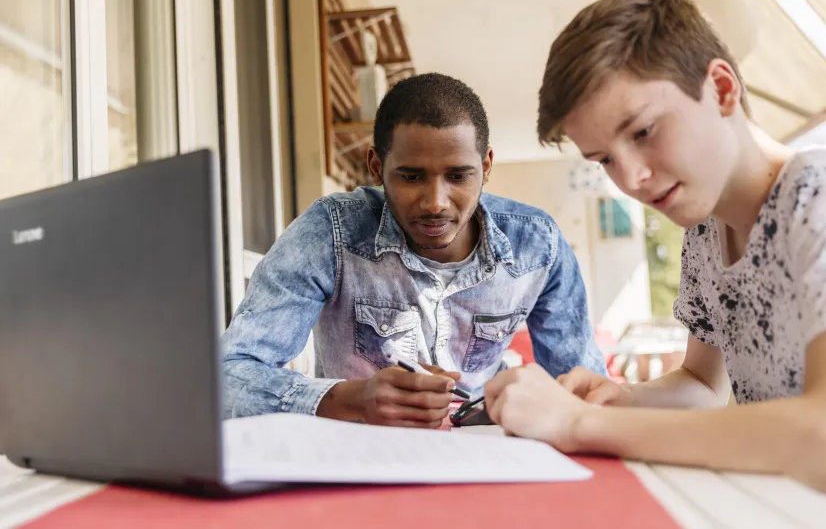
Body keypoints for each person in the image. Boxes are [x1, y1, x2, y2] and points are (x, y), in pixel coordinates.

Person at [484, 0, 826, 520]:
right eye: (604, 160)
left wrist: (580, 425)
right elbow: (702, 385)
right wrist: (620, 399)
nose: (631, 178)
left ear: (721, 89)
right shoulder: (704, 234)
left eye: (643, 131)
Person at [221, 72, 607, 429]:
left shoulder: (538, 246)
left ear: (486, 166)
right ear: (376, 166)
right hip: (360, 456)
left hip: (485, 452)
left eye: (458, 175)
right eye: (411, 176)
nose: (435, 202)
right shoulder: (330, 233)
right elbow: (226, 378)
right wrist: (352, 399)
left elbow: (587, 392)